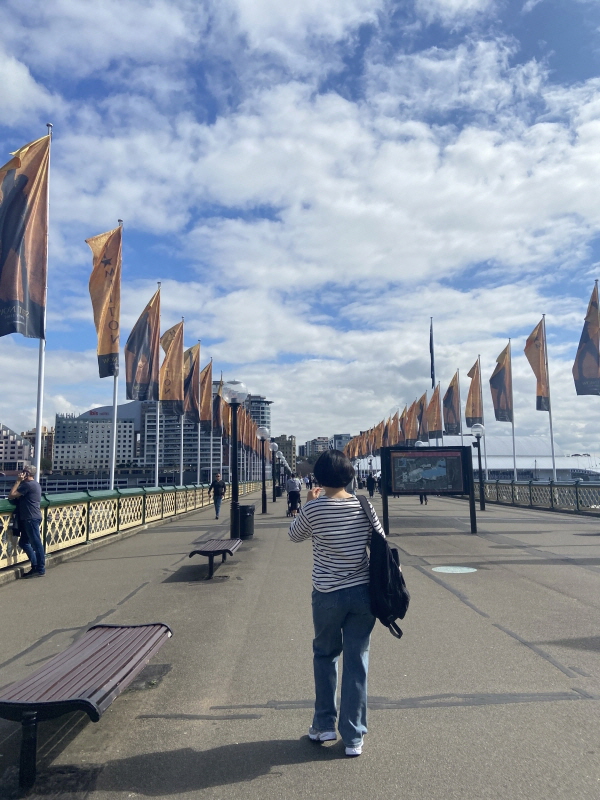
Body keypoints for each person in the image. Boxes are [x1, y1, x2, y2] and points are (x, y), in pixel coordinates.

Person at [288, 449, 385, 757]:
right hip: (363, 593)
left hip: (327, 593)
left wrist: (309, 504)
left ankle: (324, 725)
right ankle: (353, 736)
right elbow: (379, 541)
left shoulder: (315, 508)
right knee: (357, 661)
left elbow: (294, 535)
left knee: (326, 655)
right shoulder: (363, 505)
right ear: (349, 475)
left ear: (319, 477)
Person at [9, 466, 44, 577]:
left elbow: (11, 495)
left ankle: (40, 569)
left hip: (30, 518)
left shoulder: (28, 485)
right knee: (24, 543)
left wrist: (18, 481)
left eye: (24, 472)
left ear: (28, 474)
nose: (21, 473)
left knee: (36, 544)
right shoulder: (36, 484)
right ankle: (35, 566)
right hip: (31, 517)